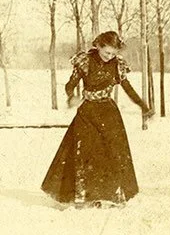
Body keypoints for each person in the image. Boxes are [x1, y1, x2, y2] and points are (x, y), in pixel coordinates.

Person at [41, 32, 152, 207]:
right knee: (85, 154)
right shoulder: (85, 62)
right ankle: (85, 196)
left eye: (113, 53)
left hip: (109, 114)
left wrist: (143, 106)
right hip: (87, 113)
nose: (110, 57)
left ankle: (111, 195)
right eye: (107, 52)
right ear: (99, 46)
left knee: (112, 154)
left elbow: (127, 88)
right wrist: (71, 97)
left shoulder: (117, 65)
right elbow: (70, 85)